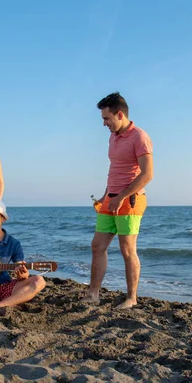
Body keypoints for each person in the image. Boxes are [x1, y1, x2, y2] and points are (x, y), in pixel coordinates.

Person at [82, 92, 153, 309]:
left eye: (106, 119)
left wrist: (121, 196)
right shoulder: (113, 136)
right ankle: (93, 294)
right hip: (111, 200)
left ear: (119, 114)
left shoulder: (139, 137)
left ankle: (131, 298)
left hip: (130, 201)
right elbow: (115, 170)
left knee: (127, 250)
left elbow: (147, 174)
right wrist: (106, 196)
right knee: (97, 246)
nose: (104, 124)